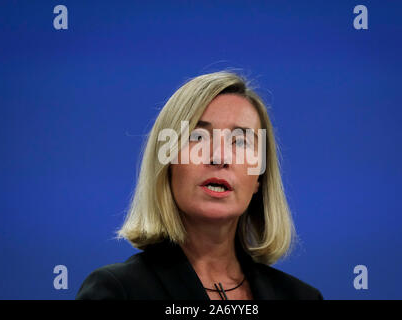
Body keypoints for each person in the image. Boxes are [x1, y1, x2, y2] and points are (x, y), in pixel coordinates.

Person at [76, 71, 323, 300]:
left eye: (240, 142)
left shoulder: (302, 297)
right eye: (197, 137)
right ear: (167, 164)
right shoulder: (118, 292)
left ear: (259, 177)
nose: (219, 157)